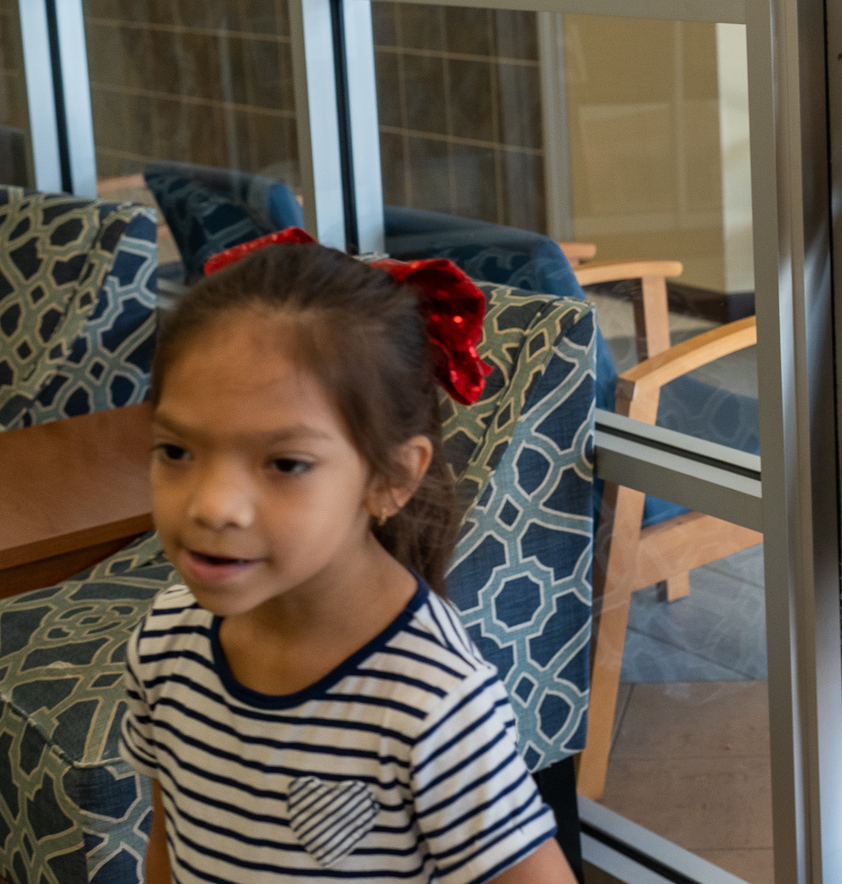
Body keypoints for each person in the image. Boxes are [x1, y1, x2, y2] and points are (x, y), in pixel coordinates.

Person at [122, 232, 574, 883]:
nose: (213, 505)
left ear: (390, 476)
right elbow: (169, 843)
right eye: (176, 451)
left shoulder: (432, 700)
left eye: (285, 463)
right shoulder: (166, 640)